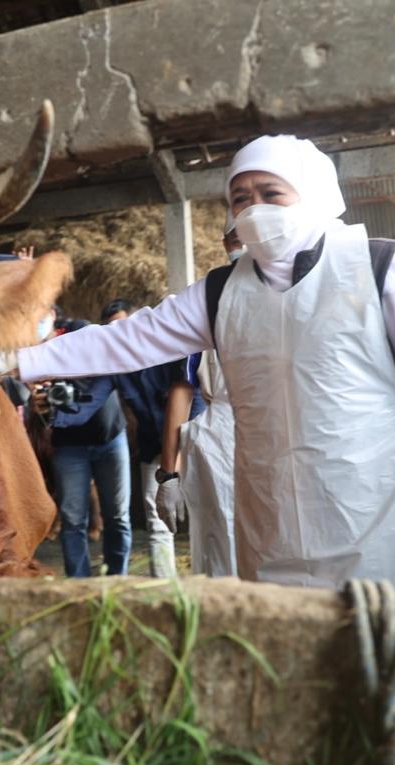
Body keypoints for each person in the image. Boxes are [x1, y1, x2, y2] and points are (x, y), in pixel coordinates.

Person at [15, 134, 395, 594]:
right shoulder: (222, 292)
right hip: (272, 522)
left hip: (380, 514)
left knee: (377, 652)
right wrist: (18, 358)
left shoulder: (382, 269)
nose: (254, 208)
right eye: (241, 197)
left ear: (313, 194)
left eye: (271, 193)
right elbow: (125, 341)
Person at [158, 223, 242, 577]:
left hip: (283, 435)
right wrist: (168, 475)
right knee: (225, 545)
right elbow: (181, 390)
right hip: (221, 442)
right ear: (224, 242)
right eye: (237, 237)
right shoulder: (205, 304)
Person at [99, 298, 205, 578]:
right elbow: (93, 398)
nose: (120, 334)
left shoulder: (168, 350)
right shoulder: (116, 366)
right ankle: (164, 588)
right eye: (112, 329)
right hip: (152, 448)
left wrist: (178, 457)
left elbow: (192, 401)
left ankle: (213, 583)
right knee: (158, 519)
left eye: (125, 326)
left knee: (206, 512)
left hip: (193, 443)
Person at [30, 319, 133, 578]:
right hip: (69, 448)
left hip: (110, 440)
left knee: (118, 517)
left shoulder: (94, 348)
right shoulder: (43, 364)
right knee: (73, 520)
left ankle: (116, 582)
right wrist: (41, 404)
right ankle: (80, 585)